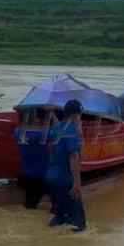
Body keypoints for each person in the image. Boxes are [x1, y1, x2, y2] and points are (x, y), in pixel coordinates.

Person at [45, 99, 87, 232]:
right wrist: (77, 183)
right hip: (65, 179)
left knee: (60, 218)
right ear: (75, 115)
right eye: (80, 115)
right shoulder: (71, 131)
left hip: (51, 178)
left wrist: (51, 114)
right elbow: (74, 157)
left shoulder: (57, 128)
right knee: (80, 225)